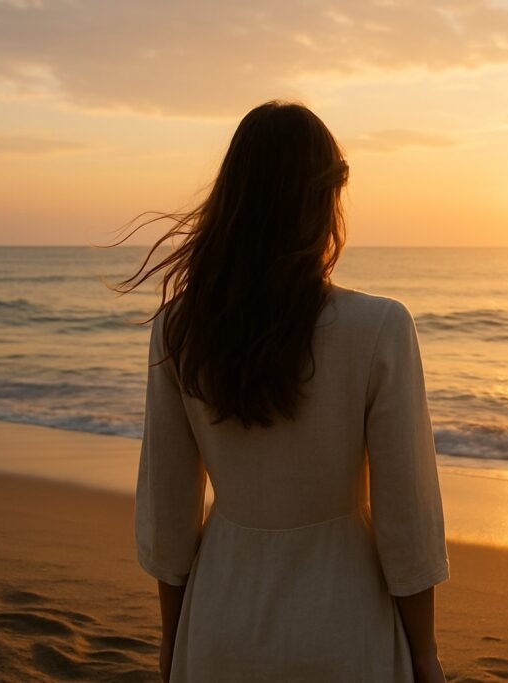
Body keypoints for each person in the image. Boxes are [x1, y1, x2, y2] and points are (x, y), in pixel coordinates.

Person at [111, 100, 449, 682]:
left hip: (220, 619)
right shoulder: (380, 327)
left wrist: (172, 637)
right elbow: (407, 522)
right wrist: (424, 653)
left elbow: (169, 514)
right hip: (344, 622)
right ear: (322, 200)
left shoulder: (181, 328)